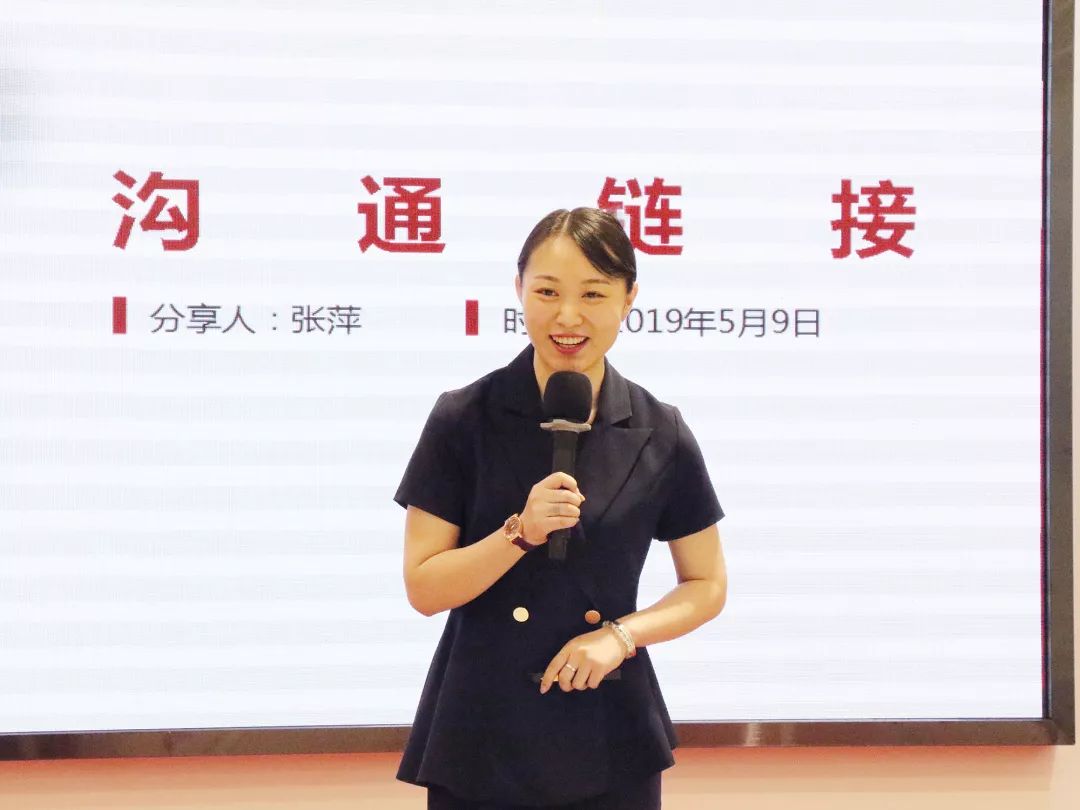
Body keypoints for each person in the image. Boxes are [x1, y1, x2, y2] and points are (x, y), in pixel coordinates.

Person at [394, 207, 727, 810]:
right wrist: (519, 533)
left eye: (593, 294)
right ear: (518, 289)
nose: (568, 316)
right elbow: (424, 587)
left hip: (609, 723)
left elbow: (706, 584)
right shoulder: (463, 418)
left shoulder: (660, 430)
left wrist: (621, 636)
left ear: (629, 298)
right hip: (483, 727)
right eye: (547, 292)